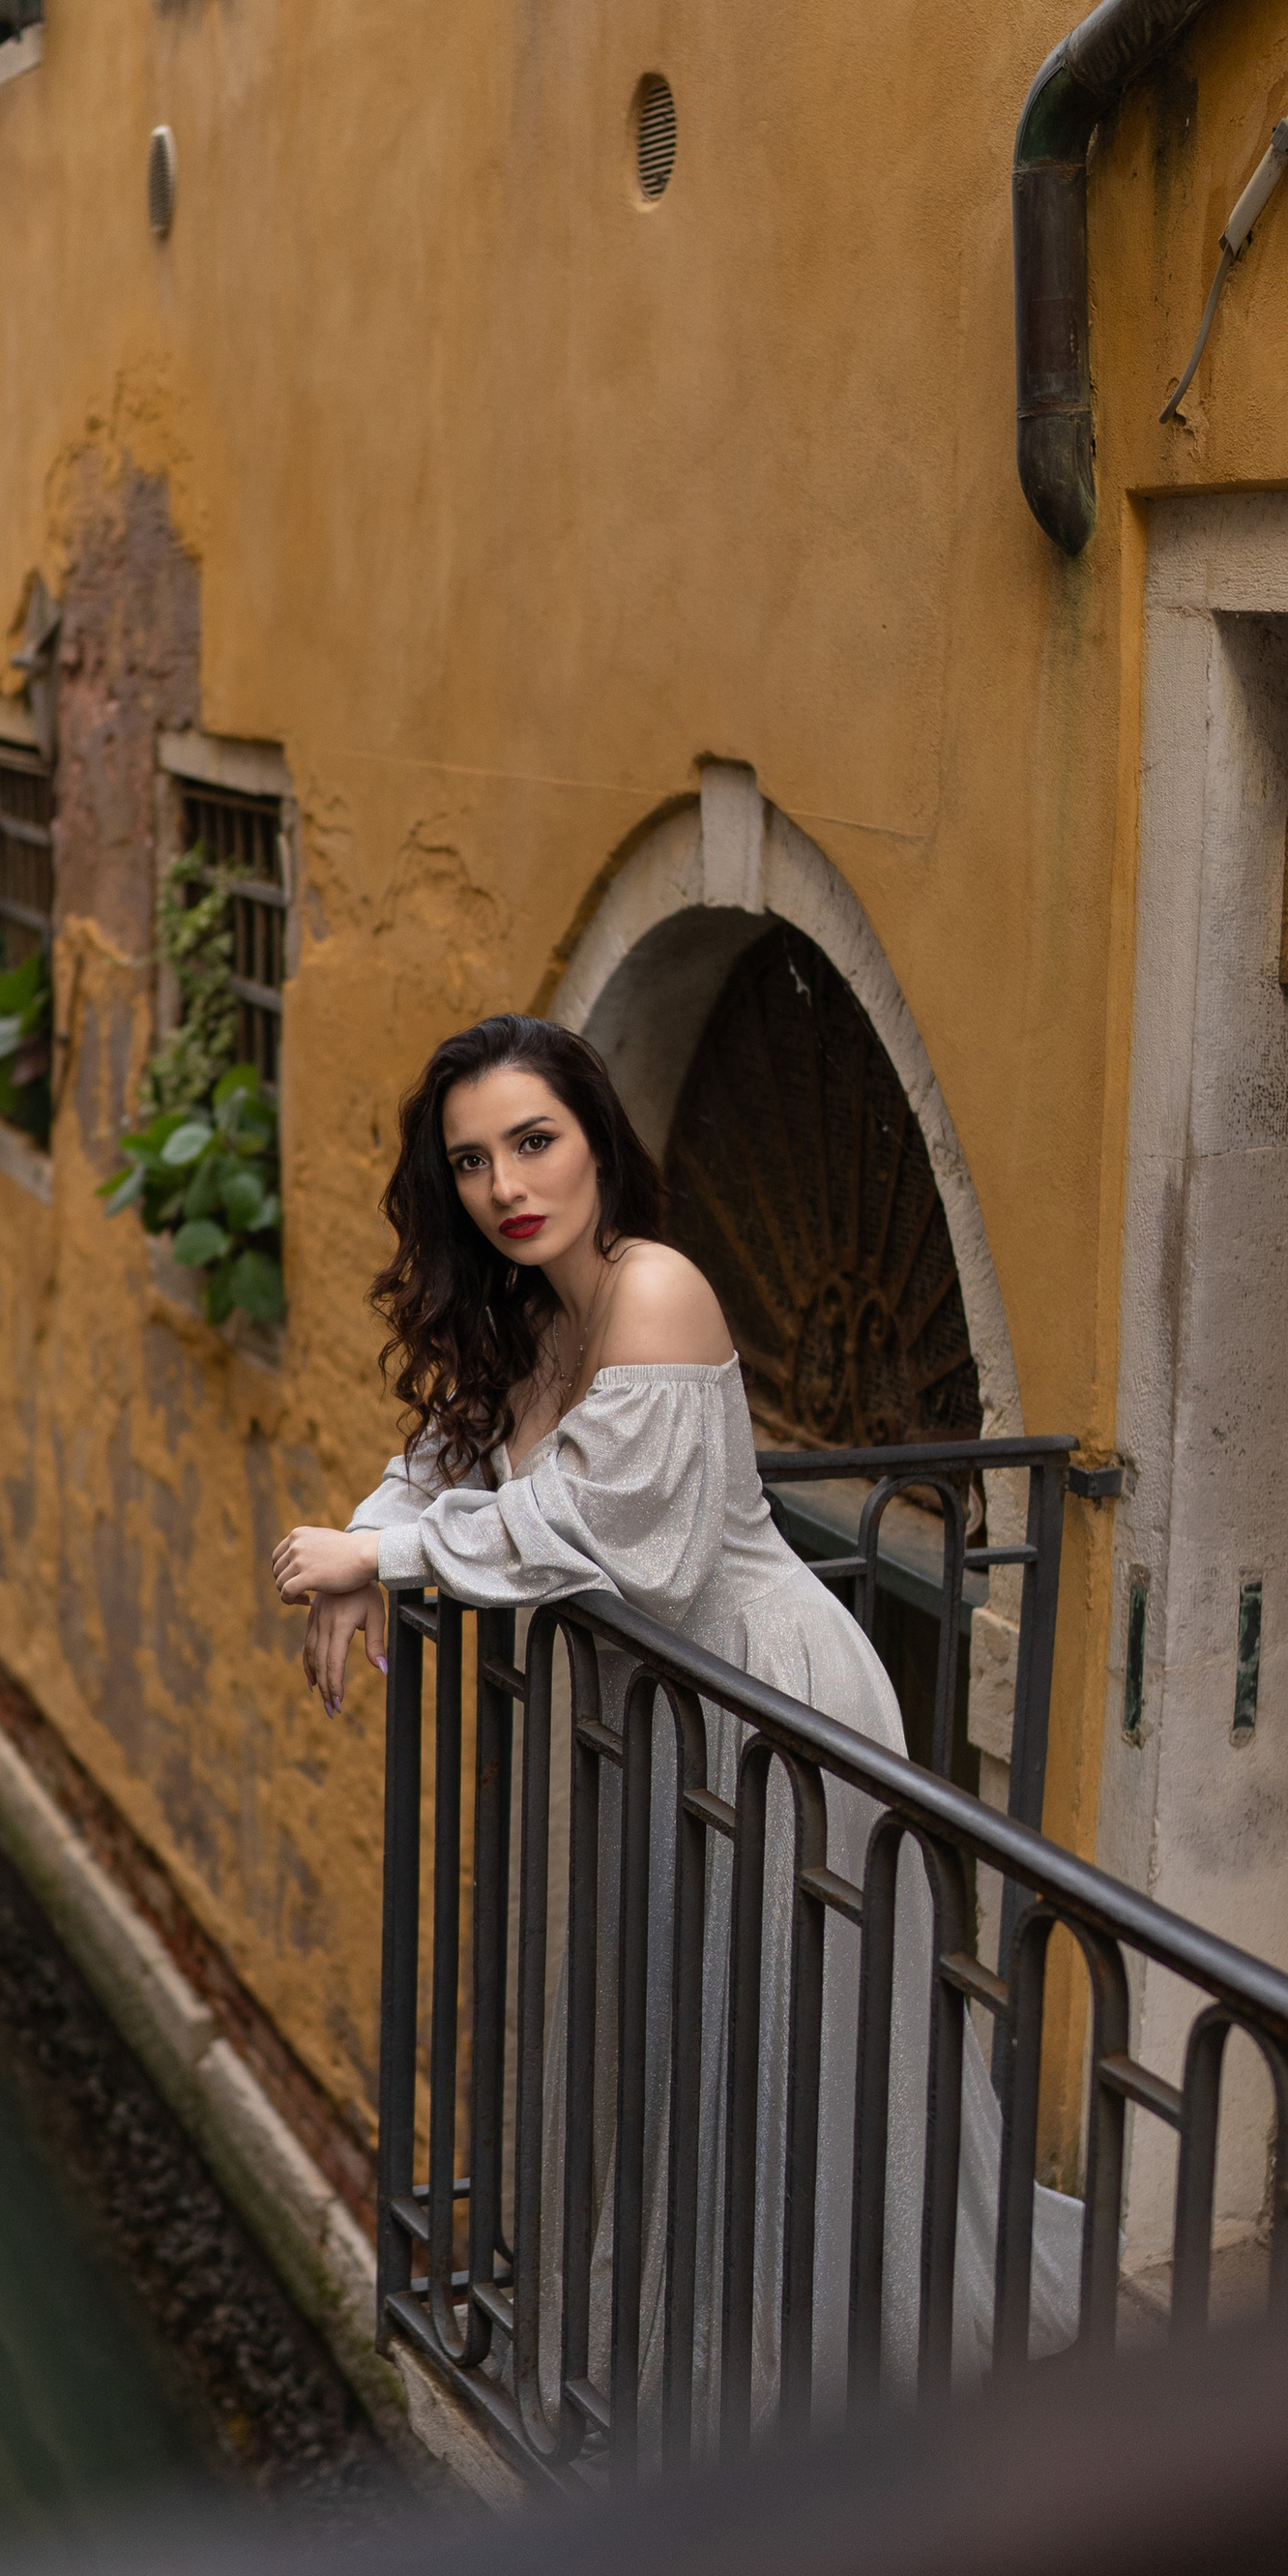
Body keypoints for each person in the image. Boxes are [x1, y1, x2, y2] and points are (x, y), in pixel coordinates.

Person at [269, 1012, 1080, 2443]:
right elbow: (441, 1465)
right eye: (471, 1160)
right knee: (683, 2039)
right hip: (659, 1723)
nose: (506, 1183)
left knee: (792, 2042)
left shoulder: (657, 1291)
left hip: (772, 1704)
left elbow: (610, 1536)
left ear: (596, 1138)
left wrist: (381, 1564)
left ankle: (824, 2398)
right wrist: (357, 1536)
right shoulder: (531, 1312)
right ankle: (699, 2363)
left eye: (535, 1141)